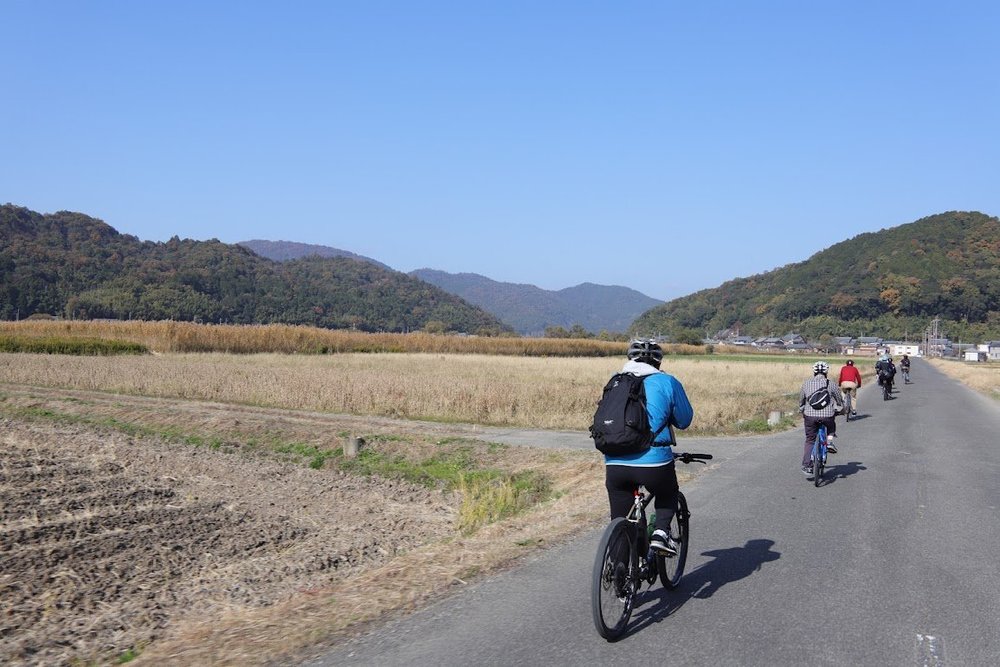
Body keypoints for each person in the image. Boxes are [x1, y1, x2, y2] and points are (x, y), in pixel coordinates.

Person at [603, 339, 694, 556]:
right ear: (658, 362)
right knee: (668, 491)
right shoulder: (667, 382)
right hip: (654, 460)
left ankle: (619, 572)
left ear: (630, 359)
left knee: (620, 519)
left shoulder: (615, 381)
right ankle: (661, 533)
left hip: (614, 460)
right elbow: (684, 420)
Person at [798, 361, 844, 477]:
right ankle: (829, 442)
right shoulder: (831, 384)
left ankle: (807, 466)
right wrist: (840, 408)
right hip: (827, 415)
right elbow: (838, 399)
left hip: (810, 415)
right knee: (831, 426)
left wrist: (802, 408)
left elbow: (801, 400)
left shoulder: (806, 383)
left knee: (810, 440)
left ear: (814, 371)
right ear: (826, 372)